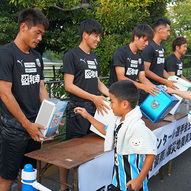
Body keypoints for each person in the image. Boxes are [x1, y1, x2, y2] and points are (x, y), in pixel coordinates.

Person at [74, 80, 157, 191]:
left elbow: (151, 153)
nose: (110, 105)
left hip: (132, 183)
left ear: (124, 104)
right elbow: (106, 131)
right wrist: (88, 116)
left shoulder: (136, 126)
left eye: (112, 102)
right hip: (117, 180)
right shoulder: (119, 121)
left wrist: (139, 180)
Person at [0, 8, 49, 191]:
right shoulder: (6, 54)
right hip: (13, 130)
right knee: (6, 177)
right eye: (37, 32)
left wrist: (51, 116)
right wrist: (26, 124)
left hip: (34, 128)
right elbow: (5, 93)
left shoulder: (37, 57)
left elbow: (41, 88)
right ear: (23, 27)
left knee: (28, 174)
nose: (40, 38)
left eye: (42, 34)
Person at [60, 19, 110, 191]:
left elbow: (97, 82)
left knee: (90, 149)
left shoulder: (94, 57)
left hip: (94, 109)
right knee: (70, 151)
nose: (98, 39)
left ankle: (83, 185)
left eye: (99, 36)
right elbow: (69, 85)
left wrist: (111, 96)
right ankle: (63, 187)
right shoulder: (71, 55)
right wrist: (93, 97)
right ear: (85, 34)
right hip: (77, 109)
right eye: (96, 36)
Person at [108, 24, 160, 102]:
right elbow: (121, 78)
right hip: (116, 96)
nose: (146, 44)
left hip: (129, 97)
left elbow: (142, 78)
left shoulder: (140, 56)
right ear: (136, 37)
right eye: (145, 40)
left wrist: (156, 88)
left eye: (148, 41)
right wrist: (144, 87)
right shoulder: (121, 53)